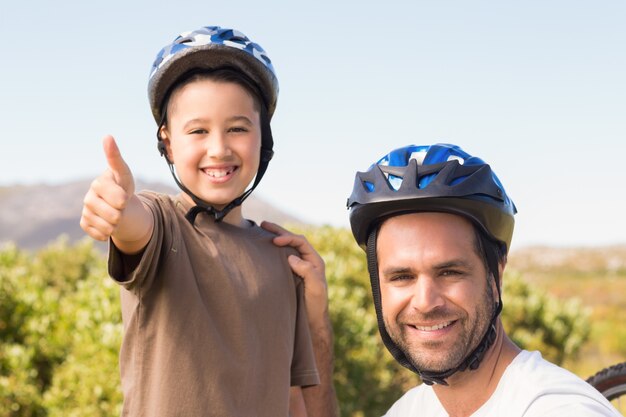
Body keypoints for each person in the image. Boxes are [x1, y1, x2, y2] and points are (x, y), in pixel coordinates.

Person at [80, 25, 337, 417]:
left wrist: (316, 309)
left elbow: (294, 398)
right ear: (167, 141)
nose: (218, 149)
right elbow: (135, 226)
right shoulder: (164, 224)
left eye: (237, 128)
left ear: (263, 140)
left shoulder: (281, 257)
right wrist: (116, 208)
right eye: (198, 130)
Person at [345, 143, 620, 416]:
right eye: (402, 276)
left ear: (496, 273)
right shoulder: (406, 411)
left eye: (450, 272)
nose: (425, 302)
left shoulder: (558, 409)